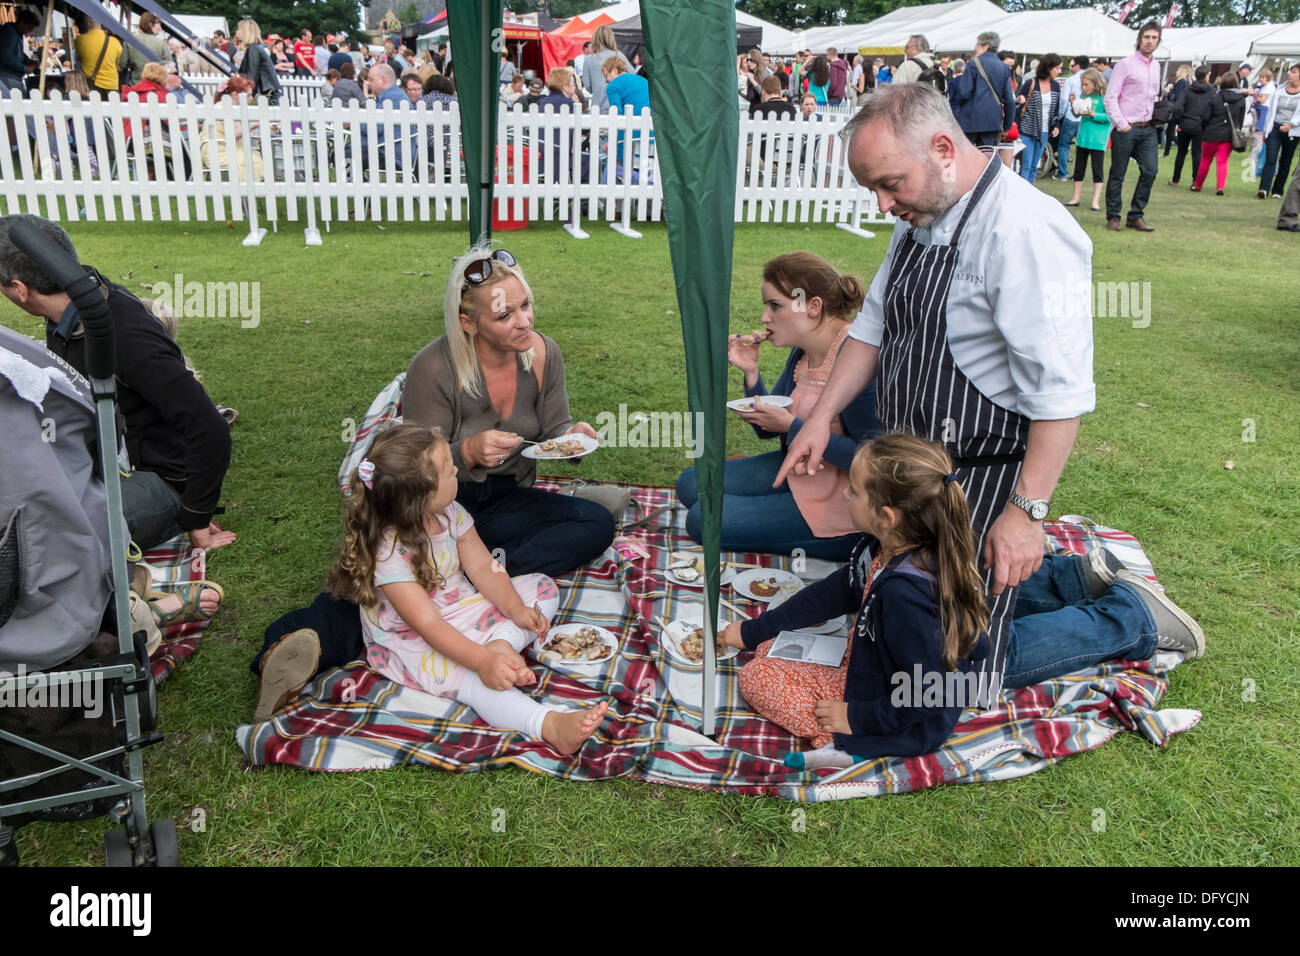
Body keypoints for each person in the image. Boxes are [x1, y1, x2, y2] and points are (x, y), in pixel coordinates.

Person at [775, 84, 1095, 701]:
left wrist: (1026, 515)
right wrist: (820, 416)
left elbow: (1061, 395)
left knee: (955, 678)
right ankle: (1068, 581)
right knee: (898, 629)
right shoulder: (921, 218)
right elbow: (869, 334)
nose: (882, 202)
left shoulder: (1025, 233)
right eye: (872, 187)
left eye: (890, 183)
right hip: (908, 471)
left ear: (944, 148)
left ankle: (1124, 618)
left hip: (979, 480)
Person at [729, 433, 1204, 770]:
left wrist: (859, 716)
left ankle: (851, 743)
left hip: (908, 714)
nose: (846, 496)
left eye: (853, 492)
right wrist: (754, 630)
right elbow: (834, 592)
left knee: (757, 678)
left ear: (887, 516)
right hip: (876, 673)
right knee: (767, 657)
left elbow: (941, 689)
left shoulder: (904, 595)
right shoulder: (884, 549)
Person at [327, 423, 609, 755]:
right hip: (417, 637)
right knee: (478, 680)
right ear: (421, 496)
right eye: (449, 472)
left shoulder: (451, 513)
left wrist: (515, 609)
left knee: (542, 587)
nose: (457, 471)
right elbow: (429, 625)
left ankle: (503, 643)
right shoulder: (390, 553)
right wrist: (480, 661)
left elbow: (484, 568)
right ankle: (548, 724)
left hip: (461, 604)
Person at [0, 214, 234, 552]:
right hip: (103, 461)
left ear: (20, 290)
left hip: (158, 479)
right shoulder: (73, 306)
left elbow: (210, 428)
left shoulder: (125, 338)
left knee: (48, 535)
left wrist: (196, 515)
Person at [403, 248, 616, 578]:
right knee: (395, 565)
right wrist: (468, 452)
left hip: (508, 498)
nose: (524, 321)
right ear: (468, 323)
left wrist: (570, 437)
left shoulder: (544, 352)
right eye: (504, 316)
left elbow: (553, 428)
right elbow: (415, 468)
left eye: (525, 305)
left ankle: (477, 578)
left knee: (596, 523)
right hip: (443, 505)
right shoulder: (433, 367)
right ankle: (469, 571)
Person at [676, 253, 880, 561]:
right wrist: (751, 373)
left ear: (813, 307)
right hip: (797, 473)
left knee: (702, 518)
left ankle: (841, 541)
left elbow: (875, 461)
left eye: (775, 305)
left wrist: (792, 427)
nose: (764, 318)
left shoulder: (855, 360)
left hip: (843, 503)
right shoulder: (803, 351)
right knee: (690, 483)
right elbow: (766, 430)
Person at [1103, 21, 1163, 232]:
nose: (1149, 41)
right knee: (1118, 172)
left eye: (1154, 38)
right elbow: (1110, 98)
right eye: (1146, 37)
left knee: (1151, 170)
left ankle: (1136, 214)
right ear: (1139, 39)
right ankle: (1113, 216)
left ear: (1158, 40)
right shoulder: (1125, 65)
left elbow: (1153, 94)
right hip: (1126, 126)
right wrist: (1122, 124)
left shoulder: (1156, 66)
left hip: (1148, 127)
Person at [946, 30, 1015, 148]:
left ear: (985, 46)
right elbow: (1009, 100)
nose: (975, 48)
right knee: (986, 157)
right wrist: (1007, 125)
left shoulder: (974, 64)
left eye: (977, 44)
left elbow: (963, 92)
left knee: (966, 156)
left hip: (970, 120)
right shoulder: (1003, 67)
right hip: (992, 121)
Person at [197, 75, 264, 180]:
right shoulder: (223, 107)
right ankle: (246, 192)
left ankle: (248, 192)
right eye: (248, 96)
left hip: (226, 147)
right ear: (234, 95)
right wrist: (254, 124)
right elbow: (233, 134)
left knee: (255, 156)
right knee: (251, 160)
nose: (251, 99)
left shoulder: (231, 107)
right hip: (219, 151)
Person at [1190, 74, 1246, 196]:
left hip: (1211, 133)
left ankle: (1198, 185)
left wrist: (1204, 129)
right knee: (1222, 161)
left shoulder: (1215, 97)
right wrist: (1237, 130)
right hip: (1228, 135)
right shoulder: (1241, 99)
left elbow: (1205, 116)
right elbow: (1240, 120)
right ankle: (1220, 187)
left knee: (1205, 160)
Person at [1065, 69, 1110, 211]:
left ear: (1095, 83)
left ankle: (1095, 201)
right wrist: (1073, 103)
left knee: (1097, 170)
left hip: (1097, 140)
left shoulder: (1105, 98)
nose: (1083, 88)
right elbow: (1077, 114)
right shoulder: (1083, 95)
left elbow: (1109, 118)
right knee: (1079, 169)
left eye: (1086, 85)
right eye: (1082, 85)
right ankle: (1075, 197)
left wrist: (1093, 114)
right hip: (1083, 138)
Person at [1014, 53, 1061, 184]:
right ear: (1048, 67)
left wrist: (1056, 125)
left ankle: (1031, 193)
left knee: (1035, 166)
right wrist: (1019, 100)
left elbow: (1055, 109)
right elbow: (1018, 103)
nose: (1059, 71)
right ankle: (1023, 193)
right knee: (1026, 166)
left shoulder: (1056, 86)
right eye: (1057, 68)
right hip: (1027, 129)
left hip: (1044, 131)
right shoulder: (1031, 82)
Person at [1259, 64, 1300, 199]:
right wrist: (1266, 130)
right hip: (1275, 128)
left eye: (1294, 72)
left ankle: (1278, 191)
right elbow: (1271, 111)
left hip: (1292, 132)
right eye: (1290, 71)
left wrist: (1290, 125)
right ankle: (1264, 189)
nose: (1290, 74)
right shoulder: (1280, 89)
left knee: (1285, 161)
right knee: (1270, 158)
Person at [1169, 65, 1211, 186]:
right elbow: (1213, 108)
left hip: (1186, 124)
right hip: (1200, 126)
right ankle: (1195, 181)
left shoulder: (1188, 90)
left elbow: (1177, 107)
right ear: (1207, 76)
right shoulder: (1211, 92)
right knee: (1197, 154)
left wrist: (1179, 120)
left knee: (1181, 153)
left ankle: (1175, 179)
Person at [1054, 55, 1089, 180]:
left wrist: (1060, 115)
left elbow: (1064, 99)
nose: (1070, 67)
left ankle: (1063, 172)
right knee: (1082, 147)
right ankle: (1079, 174)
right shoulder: (1092, 79)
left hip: (1071, 116)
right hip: (1086, 117)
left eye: (1072, 65)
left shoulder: (1071, 80)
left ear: (1078, 65)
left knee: (1064, 145)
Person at [581, 25, 630, 110]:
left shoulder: (589, 59)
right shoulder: (619, 55)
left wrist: (597, 89)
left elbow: (587, 85)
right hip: (618, 105)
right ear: (611, 38)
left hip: (598, 106)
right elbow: (631, 77)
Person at [74, 14, 122, 97]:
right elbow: (119, 64)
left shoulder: (80, 40)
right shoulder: (115, 41)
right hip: (112, 85)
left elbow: (79, 59)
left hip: (92, 85)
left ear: (88, 23)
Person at [116, 11, 167, 89]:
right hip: (155, 87)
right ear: (150, 25)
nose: (160, 28)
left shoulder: (130, 41)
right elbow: (170, 66)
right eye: (158, 25)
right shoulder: (161, 44)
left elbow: (122, 64)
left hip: (135, 85)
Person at [234, 19, 280, 104]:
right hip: (267, 94)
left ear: (246, 31)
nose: (236, 31)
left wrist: (249, 97)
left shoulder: (253, 49)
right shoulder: (256, 48)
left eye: (239, 29)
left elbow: (252, 76)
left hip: (265, 96)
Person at [0, 9, 39, 95]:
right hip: (7, 77)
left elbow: (18, 53)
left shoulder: (17, 33)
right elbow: (6, 56)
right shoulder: (9, 32)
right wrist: (25, 68)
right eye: (29, 27)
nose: (30, 31)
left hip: (13, 77)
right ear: (22, 22)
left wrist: (29, 61)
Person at [1163, 64, 1192, 156]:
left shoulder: (1181, 82)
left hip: (1176, 110)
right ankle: (1168, 152)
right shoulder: (1188, 83)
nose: (1176, 72)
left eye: (1178, 70)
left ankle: (1169, 151)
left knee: (1169, 131)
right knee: (1172, 131)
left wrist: (1167, 92)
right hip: (1183, 110)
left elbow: (1176, 96)